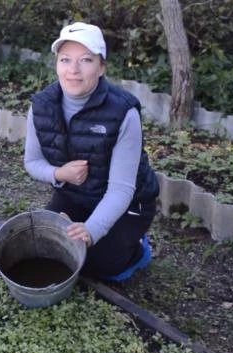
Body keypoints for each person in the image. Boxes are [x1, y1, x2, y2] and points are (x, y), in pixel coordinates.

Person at [23, 22, 160, 282]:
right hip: (76, 195)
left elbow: (122, 189)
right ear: (56, 64)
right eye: (65, 60)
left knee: (97, 265)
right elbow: (32, 161)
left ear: (101, 67)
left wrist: (91, 230)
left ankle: (137, 249)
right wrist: (59, 173)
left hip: (129, 202)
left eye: (85, 60)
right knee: (47, 245)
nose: (73, 70)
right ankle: (92, 226)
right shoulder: (41, 106)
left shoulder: (123, 112)